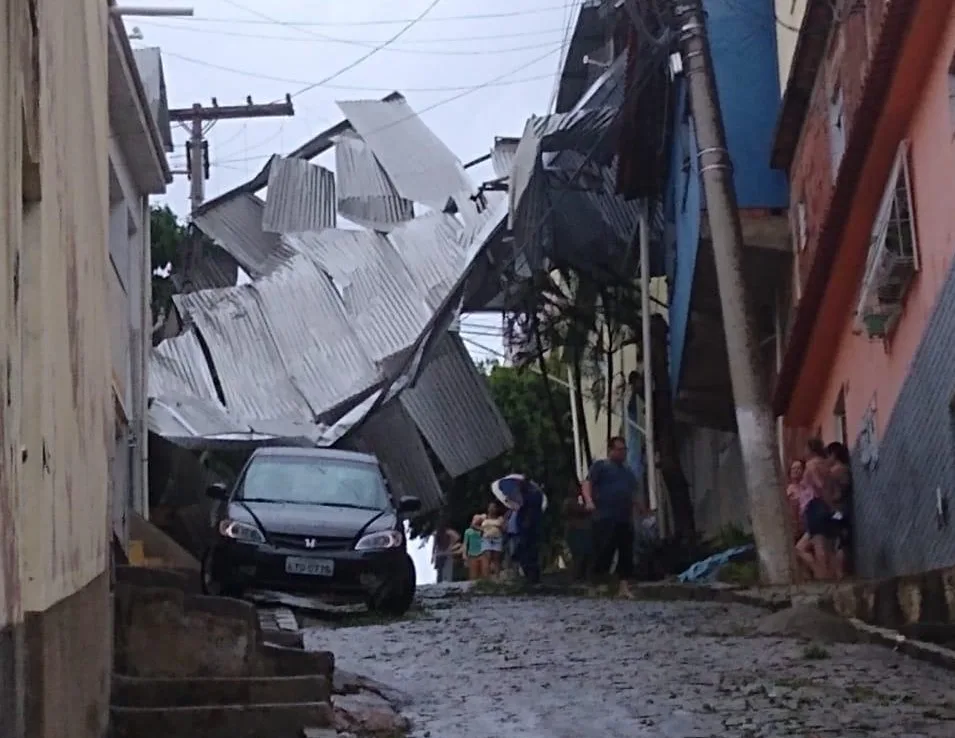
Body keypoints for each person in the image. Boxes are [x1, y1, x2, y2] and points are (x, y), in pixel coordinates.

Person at [582, 436, 647, 598]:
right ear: (611, 450)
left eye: (624, 450)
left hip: (624, 517)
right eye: (619, 450)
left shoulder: (627, 472)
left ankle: (623, 586)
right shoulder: (601, 467)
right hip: (604, 516)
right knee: (603, 550)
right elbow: (587, 483)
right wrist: (589, 501)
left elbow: (633, 492)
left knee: (626, 552)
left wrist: (641, 508)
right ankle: (596, 581)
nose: (622, 453)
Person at [794, 439, 837, 580]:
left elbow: (820, 486)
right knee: (828, 547)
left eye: (806, 449)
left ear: (810, 450)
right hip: (825, 506)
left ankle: (823, 577)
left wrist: (827, 504)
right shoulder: (826, 465)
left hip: (816, 506)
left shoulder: (811, 466)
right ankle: (830, 576)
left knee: (819, 546)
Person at [826, 442, 852, 580]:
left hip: (839, 509)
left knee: (840, 541)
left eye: (828, 456)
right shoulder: (843, 469)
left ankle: (840, 573)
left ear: (833, 455)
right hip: (842, 508)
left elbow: (837, 492)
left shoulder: (836, 471)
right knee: (841, 540)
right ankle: (841, 572)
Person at [515, 477, 544, 585]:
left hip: (528, 529)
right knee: (530, 553)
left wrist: (527, 521)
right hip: (528, 529)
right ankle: (532, 577)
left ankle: (532, 577)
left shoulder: (530, 496)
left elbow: (530, 511)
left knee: (528, 554)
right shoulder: (530, 495)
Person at [563, 481, 593, 581]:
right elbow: (583, 511)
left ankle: (581, 576)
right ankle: (577, 577)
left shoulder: (576, 501)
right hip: (575, 531)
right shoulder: (570, 502)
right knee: (579, 555)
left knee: (584, 555)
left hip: (580, 531)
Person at [481, 502, 506, 577]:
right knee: (487, 557)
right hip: (486, 539)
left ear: (496, 509)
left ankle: (497, 577)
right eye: (490, 507)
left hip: (497, 539)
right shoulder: (483, 517)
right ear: (488, 509)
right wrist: (482, 530)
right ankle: (486, 578)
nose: (492, 509)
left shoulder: (500, 518)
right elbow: (473, 525)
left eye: (494, 507)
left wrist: (499, 526)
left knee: (496, 559)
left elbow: (504, 529)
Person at [463, 514, 486, 581]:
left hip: (482, 553)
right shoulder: (468, 531)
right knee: (473, 575)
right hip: (472, 554)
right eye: (474, 519)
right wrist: (464, 554)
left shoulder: (483, 530)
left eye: (477, 519)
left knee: (483, 573)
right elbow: (465, 543)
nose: (475, 520)